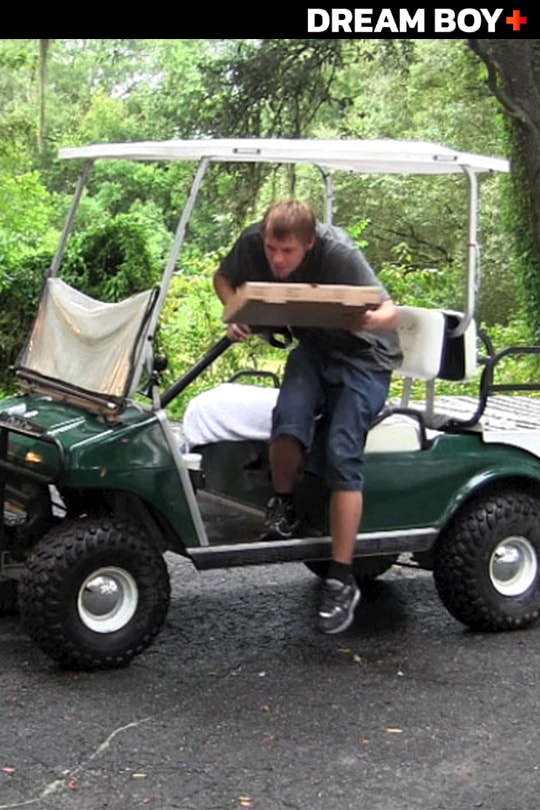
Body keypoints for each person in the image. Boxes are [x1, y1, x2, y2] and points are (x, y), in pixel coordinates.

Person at [213, 200, 402, 635]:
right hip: (315, 350)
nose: (277, 260)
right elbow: (223, 279)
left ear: (310, 243)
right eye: (272, 249)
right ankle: (284, 506)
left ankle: (341, 578)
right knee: (289, 419)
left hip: (365, 359)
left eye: (288, 252)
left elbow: (390, 312)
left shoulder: (339, 253)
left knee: (340, 451)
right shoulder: (253, 242)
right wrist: (233, 312)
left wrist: (369, 320)